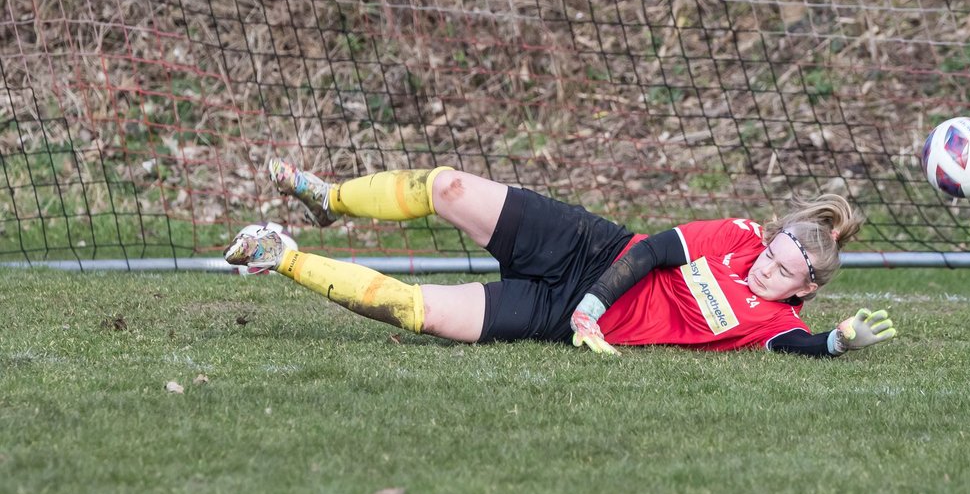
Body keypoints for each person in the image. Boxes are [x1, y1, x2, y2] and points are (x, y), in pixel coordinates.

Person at [223, 160, 898, 356]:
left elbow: (803, 347)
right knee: (446, 186)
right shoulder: (740, 236)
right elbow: (658, 250)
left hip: (552, 313)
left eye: (780, 271)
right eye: (772, 252)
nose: (763, 267)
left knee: (418, 311)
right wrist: (595, 306)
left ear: (804, 287)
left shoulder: (775, 323)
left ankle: (280, 255)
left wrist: (840, 342)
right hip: (589, 249)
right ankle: (332, 197)